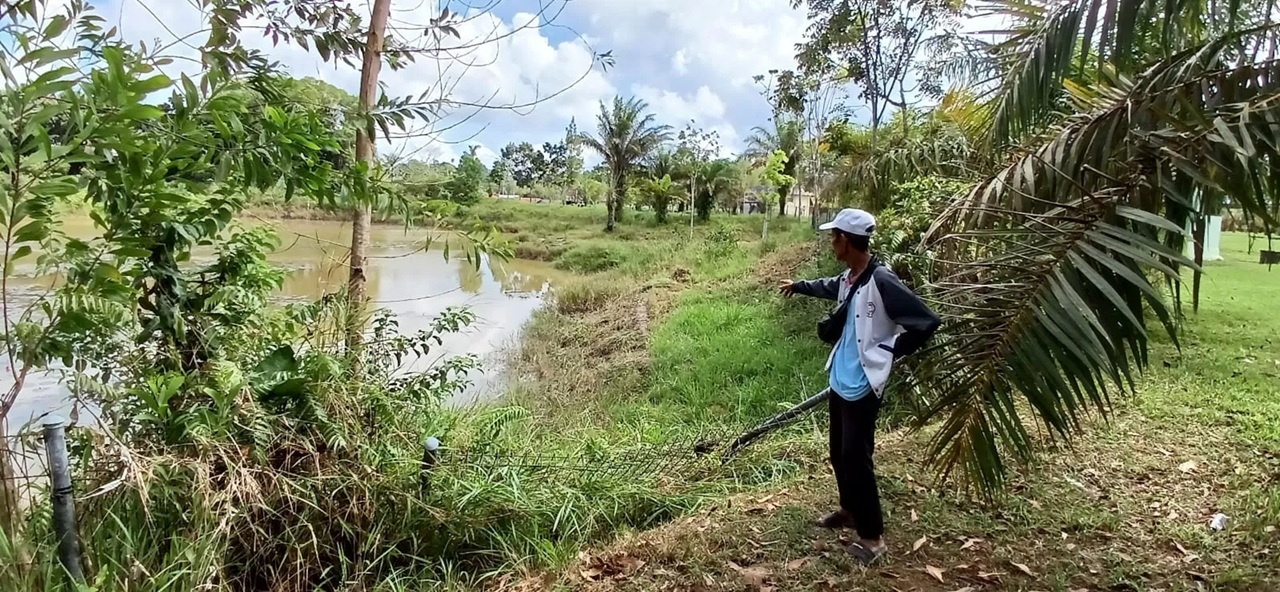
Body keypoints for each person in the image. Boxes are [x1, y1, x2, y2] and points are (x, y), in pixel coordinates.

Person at [780, 208, 940, 565]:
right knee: (839, 453)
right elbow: (828, 286)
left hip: (865, 382)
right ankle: (849, 509)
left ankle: (873, 538)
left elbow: (926, 322)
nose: (831, 242)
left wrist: (889, 351)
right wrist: (799, 286)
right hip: (841, 376)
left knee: (857, 457)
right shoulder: (851, 277)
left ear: (846, 240)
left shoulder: (881, 280)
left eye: (833, 237)